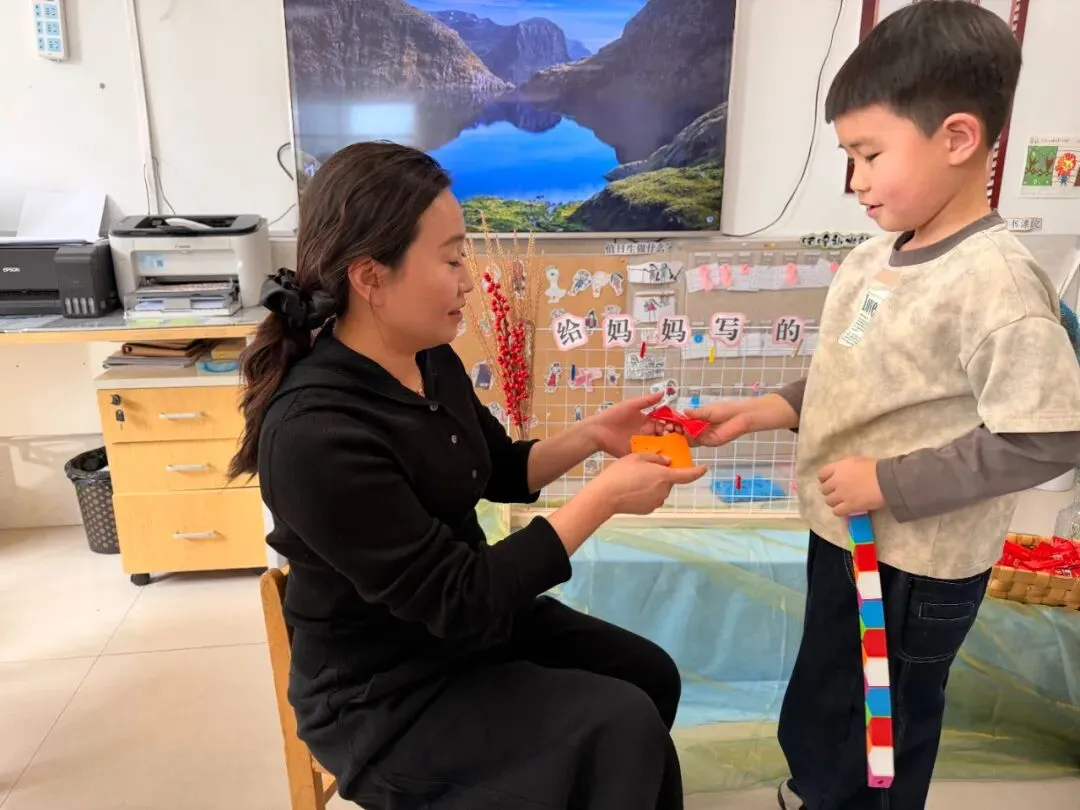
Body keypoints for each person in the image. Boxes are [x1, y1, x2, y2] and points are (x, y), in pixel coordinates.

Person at [683, 4, 1080, 809]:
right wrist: (767, 409)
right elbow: (863, 378)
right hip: (844, 530)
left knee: (882, 731)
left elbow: (1047, 438)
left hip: (915, 563)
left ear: (958, 138)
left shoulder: (997, 283)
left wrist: (888, 482)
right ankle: (813, 791)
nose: (855, 180)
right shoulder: (875, 257)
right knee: (826, 694)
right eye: (848, 157)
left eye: (869, 155)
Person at [229, 141, 705, 810]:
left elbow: (496, 467)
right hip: (385, 696)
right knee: (618, 726)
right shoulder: (315, 433)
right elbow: (460, 596)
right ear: (370, 277)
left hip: (468, 633)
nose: (468, 280)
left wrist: (594, 436)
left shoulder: (429, 360)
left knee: (647, 676)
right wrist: (601, 500)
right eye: (451, 259)